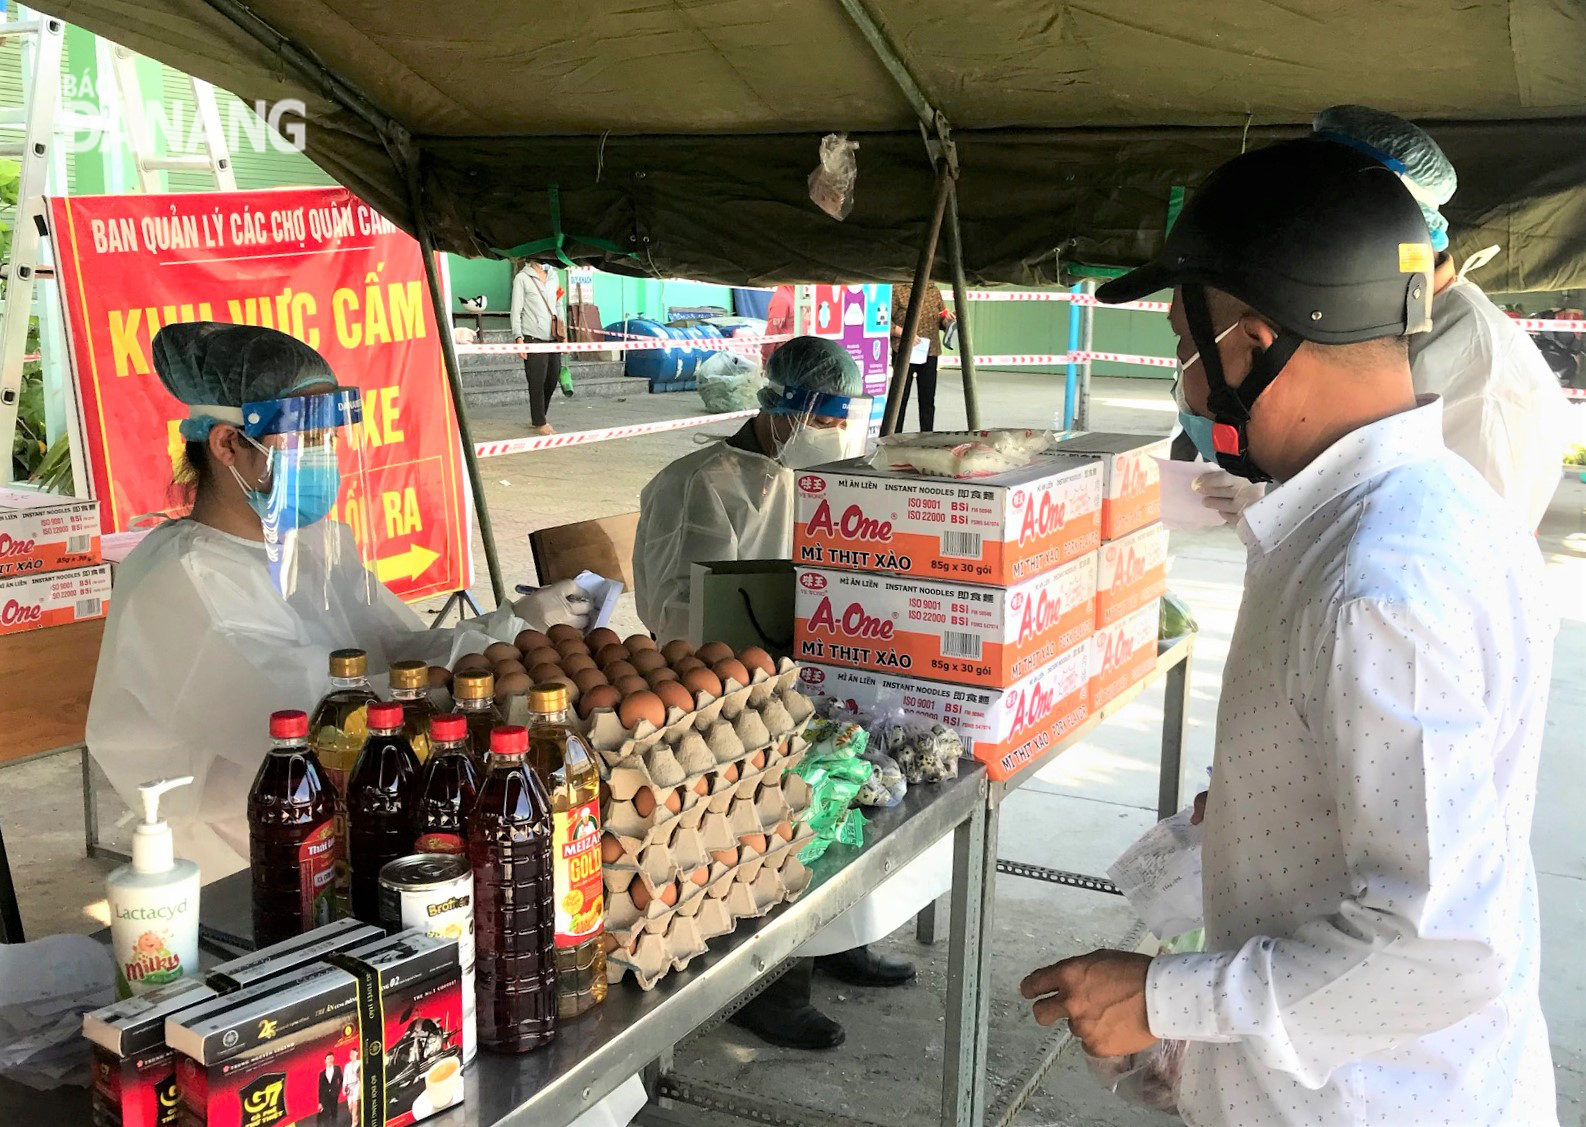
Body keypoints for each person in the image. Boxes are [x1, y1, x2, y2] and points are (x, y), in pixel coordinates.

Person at [1022, 139, 1557, 1125]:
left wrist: (1157, 997)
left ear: (1248, 343)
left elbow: (1440, 946)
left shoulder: (1374, 583)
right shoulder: (1428, 507)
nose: (1184, 388)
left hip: (1363, 1100)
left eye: (1185, 345)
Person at [88, 323, 591, 880]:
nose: (322, 454)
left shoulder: (310, 546)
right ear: (228, 443)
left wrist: (518, 626)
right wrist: (458, 675)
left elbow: (396, 644)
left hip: (346, 828)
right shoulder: (181, 580)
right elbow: (309, 718)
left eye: (328, 435)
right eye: (303, 435)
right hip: (235, 859)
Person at [633, 336, 916, 1050]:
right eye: (821, 417)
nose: (830, 433)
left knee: (858, 773)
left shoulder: (817, 475)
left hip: (799, 661)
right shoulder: (700, 482)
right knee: (782, 799)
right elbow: (673, 606)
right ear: (780, 407)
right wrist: (758, 646)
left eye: (839, 419)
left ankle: (840, 939)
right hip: (718, 684)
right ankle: (768, 984)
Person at [1189, 105, 1570, 530]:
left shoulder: (1480, 372)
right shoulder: (1369, 327)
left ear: (1383, 229)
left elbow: (1439, 551)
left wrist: (1277, 507)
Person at [889, 283, 956, 431]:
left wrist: (948, 322)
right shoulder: (897, 289)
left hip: (930, 352)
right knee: (899, 399)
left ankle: (927, 436)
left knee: (928, 400)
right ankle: (893, 435)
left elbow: (941, 318)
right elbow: (884, 321)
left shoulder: (934, 290)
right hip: (903, 350)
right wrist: (904, 333)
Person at [511, 258, 565, 435]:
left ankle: (541, 415)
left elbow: (558, 304)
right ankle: (539, 421)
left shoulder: (554, 276)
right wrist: (518, 338)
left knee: (552, 377)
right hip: (533, 338)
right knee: (536, 381)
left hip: (553, 338)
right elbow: (516, 310)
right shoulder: (522, 278)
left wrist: (562, 333)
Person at [316, 1053, 342, 1127]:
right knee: (326, 1114)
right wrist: (320, 1102)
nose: (330, 1060)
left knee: (334, 1113)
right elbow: (320, 1088)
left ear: (333, 1059)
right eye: (328, 1059)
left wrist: (338, 1090)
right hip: (325, 1097)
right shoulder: (322, 1074)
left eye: (331, 1058)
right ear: (325, 1061)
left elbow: (341, 1080)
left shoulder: (337, 1068)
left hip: (334, 1095)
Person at [340, 1048, 360, 1125]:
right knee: (350, 1107)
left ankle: (353, 1123)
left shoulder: (359, 1063)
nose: (352, 1055)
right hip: (349, 1087)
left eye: (353, 1053)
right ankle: (356, 1118)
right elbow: (345, 1077)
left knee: (355, 1103)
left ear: (356, 1054)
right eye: (351, 1053)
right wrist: (343, 1088)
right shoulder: (347, 1066)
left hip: (357, 1084)